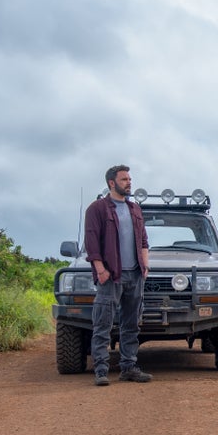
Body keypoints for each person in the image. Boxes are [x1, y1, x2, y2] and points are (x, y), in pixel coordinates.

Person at [85, 165, 152, 386]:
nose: (129, 182)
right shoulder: (97, 209)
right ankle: (101, 370)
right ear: (112, 183)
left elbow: (143, 240)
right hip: (111, 276)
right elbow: (92, 242)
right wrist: (100, 269)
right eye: (124, 179)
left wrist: (145, 266)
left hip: (134, 275)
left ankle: (129, 367)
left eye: (129, 179)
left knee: (132, 324)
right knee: (103, 324)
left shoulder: (135, 209)